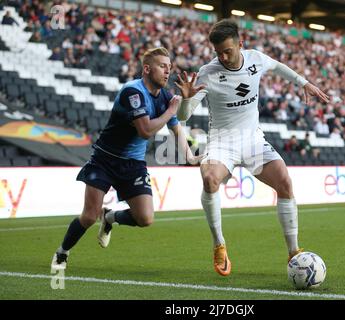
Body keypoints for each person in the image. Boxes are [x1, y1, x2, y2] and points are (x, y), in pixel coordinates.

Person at [176, 19, 329, 277]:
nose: (223, 57)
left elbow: (278, 67)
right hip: (222, 141)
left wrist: (303, 82)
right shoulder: (207, 73)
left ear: (241, 44)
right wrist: (186, 99)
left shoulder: (256, 59)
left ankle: (293, 252)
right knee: (209, 179)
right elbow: (183, 117)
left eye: (228, 51)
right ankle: (219, 244)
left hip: (253, 140)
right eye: (218, 52)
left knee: (285, 182)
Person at [51, 47, 197, 270]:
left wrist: (190, 157)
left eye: (169, 67)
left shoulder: (166, 96)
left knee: (145, 219)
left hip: (133, 164)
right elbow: (145, 131)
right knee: (89, 216)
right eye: (162, 66)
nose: (167, 71)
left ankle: (110, 217)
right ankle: (62, 252)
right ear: (147, 69)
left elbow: (176, 129)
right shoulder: (133, 92)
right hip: (105, 159)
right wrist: (170, 112)